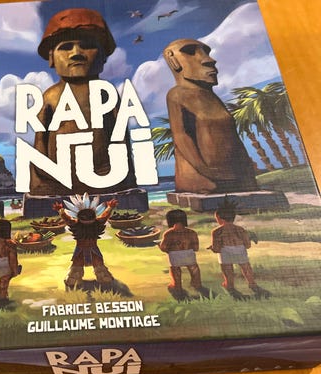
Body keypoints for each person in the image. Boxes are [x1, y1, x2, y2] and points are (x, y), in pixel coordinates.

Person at [30, 8, 137, 195]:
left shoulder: (107, 93)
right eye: (66, 47)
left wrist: (124, 176)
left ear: (103, 56)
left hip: (106, 179)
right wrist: (43, 178)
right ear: (51, 58)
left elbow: (122, 138)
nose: (76, 53)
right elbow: (40, 141)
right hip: (58, 181)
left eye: (87, 45)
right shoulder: (50, 96)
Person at [163, 39, 258, 194]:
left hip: (235, 176)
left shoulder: (212, 97)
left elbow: (232, 135)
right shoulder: (177, 95)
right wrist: (207, 172)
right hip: (207, 178)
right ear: (172, 59)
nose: (209, 60)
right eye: (190, 52)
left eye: (206, 52)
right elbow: (181, 137)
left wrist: (246, 167)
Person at [53, 193, 117, 289]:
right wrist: (110, 207)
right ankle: (74, 279)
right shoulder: (81, 224)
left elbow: (104, 216)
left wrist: (110, 207)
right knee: (77, 266)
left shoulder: (86, 223)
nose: (87, 221)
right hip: (81, 249)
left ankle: (103, 277)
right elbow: (104, 216)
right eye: (85, 218)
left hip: (91, 249)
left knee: (98, 265)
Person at [210, 197, 268, 298]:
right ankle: (252, 283)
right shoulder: (240, 229)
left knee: (227, 269)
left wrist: (212, 248)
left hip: (225, 251)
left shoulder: (216, 231)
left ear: (219, 218)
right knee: (245, 267)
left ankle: (229, 284)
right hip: (240, 249)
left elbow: (216, 248)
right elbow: (247, 245)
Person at [159, 209, 207, 299]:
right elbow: (196, 248)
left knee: (175, 270)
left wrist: (162, 246)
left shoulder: (169, 234)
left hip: (174, 255)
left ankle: (177, 286)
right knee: (194, 268)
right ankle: (196, 283)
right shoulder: (192, 232)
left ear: (169, 220)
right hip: (189, 254)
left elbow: (163, 247)